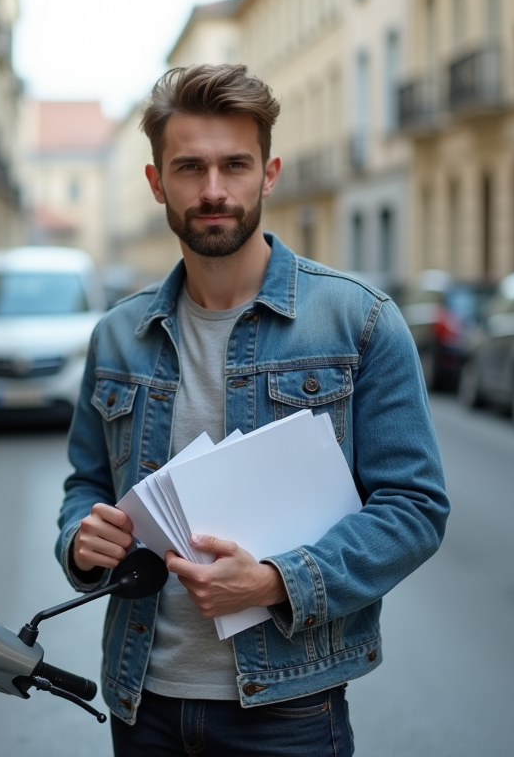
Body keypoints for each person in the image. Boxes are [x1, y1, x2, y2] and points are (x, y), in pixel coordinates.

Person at [54, 64, 449, 756]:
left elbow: (414, 508)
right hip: (141, 701)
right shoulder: (117, 335)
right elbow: (85, 484)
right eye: (190, 168)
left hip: (288, 709)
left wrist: (275, 581)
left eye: (234, 165)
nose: (213, 191)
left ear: (268, 174)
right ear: (156, 183)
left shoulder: (359, 323)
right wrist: (81, 544)